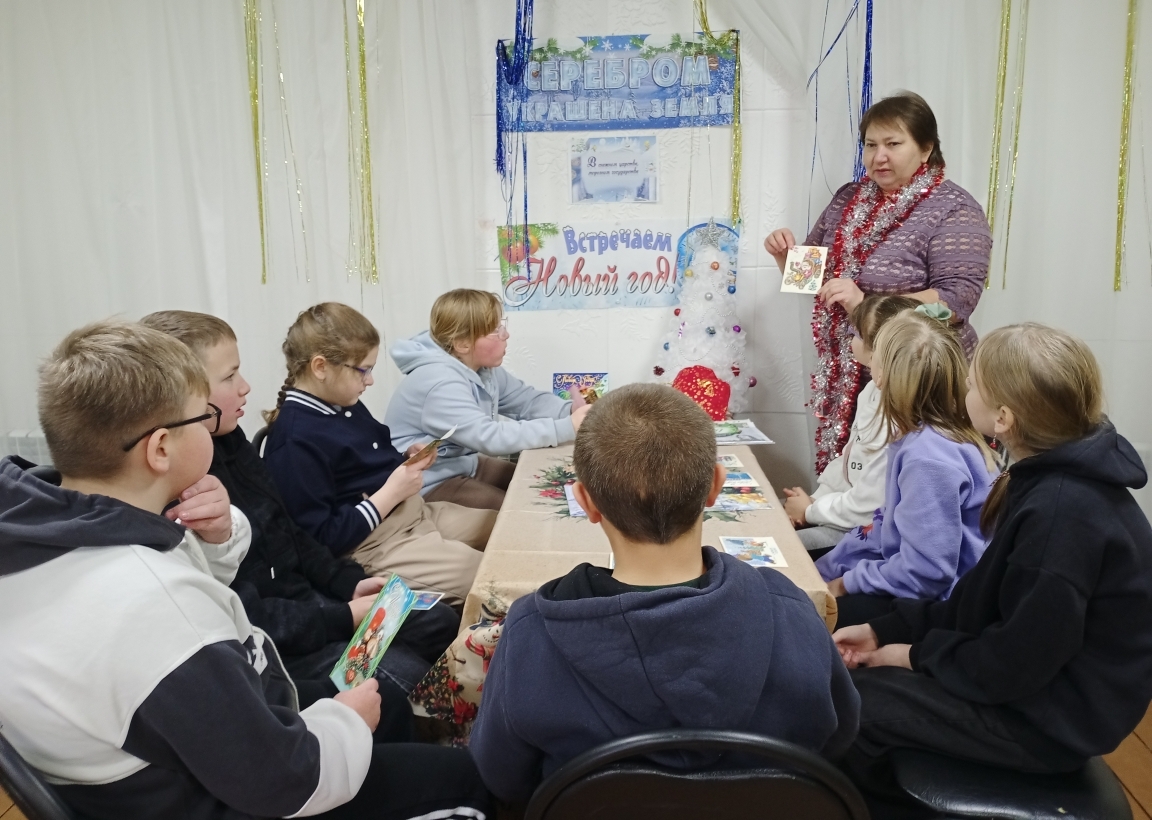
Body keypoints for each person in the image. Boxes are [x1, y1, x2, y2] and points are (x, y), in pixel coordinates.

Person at [0, 320, 490, 820]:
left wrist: (219, 536)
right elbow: (283, 780)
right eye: (202, 417)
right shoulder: (154, 605)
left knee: (386, 701)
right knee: (463, 778)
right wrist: (345, 723)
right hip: (235, 795)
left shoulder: (47, 531)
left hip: (172, 763)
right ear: (161, 449)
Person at [468, 384, 860, 805]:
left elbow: (503, 778)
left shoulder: (530, 634)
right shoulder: (792, 610)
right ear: (716, 486)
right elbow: (838, 739)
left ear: (585, 502)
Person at [833, 323, 1152, 819]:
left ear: (1003, 418)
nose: (964, 391)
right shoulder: (1049, 476)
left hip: (1050, 723)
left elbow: (1014, 665)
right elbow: (979, 604)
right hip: (1029, 687)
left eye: (972, 384)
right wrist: (885, 631)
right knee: (851, 686)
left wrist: (913, 656)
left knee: (852, 708)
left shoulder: (1062, 515)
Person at [140, 310, 460, 741]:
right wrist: (342, 618)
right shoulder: (180, 495)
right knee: (403, 678)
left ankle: (419, 733)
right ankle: (408, 746)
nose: (245, 386)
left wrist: (348, 583)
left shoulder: (230, 441)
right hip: (287, 642)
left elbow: (291, 531)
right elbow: (247, 619)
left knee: (438, 621)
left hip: (315, 607)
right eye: (230, 376)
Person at [764, 92, 992, 473]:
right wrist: (784, 257)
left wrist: (865, 305)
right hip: (851, 372)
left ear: (926, 149)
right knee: (851, 481)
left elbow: (955, 302)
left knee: (902, 484)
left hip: (919, 383)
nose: (878, 156)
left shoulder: (954, 209)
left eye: (893, 144)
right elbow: (814, 281)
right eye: (871, 145)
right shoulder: (848, 198)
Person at [263, 302, 496, 607]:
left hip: (413, 514)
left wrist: (405, 458)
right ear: (320, 367)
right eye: (364, 370)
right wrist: (392, 491)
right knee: (496, 577)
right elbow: (321, 540)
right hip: (375, 545)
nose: (370, 380)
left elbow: (361, 467)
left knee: (510, 531)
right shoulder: (295, 440)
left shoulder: (341, 402)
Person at [815, 307, 996, 629]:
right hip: (914, 584)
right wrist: (830, 569)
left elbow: (926, 573)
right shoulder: (925, 438)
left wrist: (845, 583)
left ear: (881, 375)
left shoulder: (928, 459)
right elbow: (885, 530)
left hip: (937, 608)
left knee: (803, 619)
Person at [386, 289, 590, 511]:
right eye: (495, 331)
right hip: (427, 481)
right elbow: (490, 437)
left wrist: (569, 411)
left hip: (465, 464)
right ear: (462, 344)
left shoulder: (482, 369)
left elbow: (526, 400)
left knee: (543, 486)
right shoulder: (439, 381)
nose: (506, 335)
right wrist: (567, 426)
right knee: (522, 510)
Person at [783, 294, 921, 554]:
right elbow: (849, 461)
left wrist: (811, 511)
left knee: (782, 547)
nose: (849, 340)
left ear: (880, 350)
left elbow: (868, 507)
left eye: (855, 334)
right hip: (842, 512)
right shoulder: (872, 391)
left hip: (863, 532)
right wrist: (814, 500)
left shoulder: (897, 419)